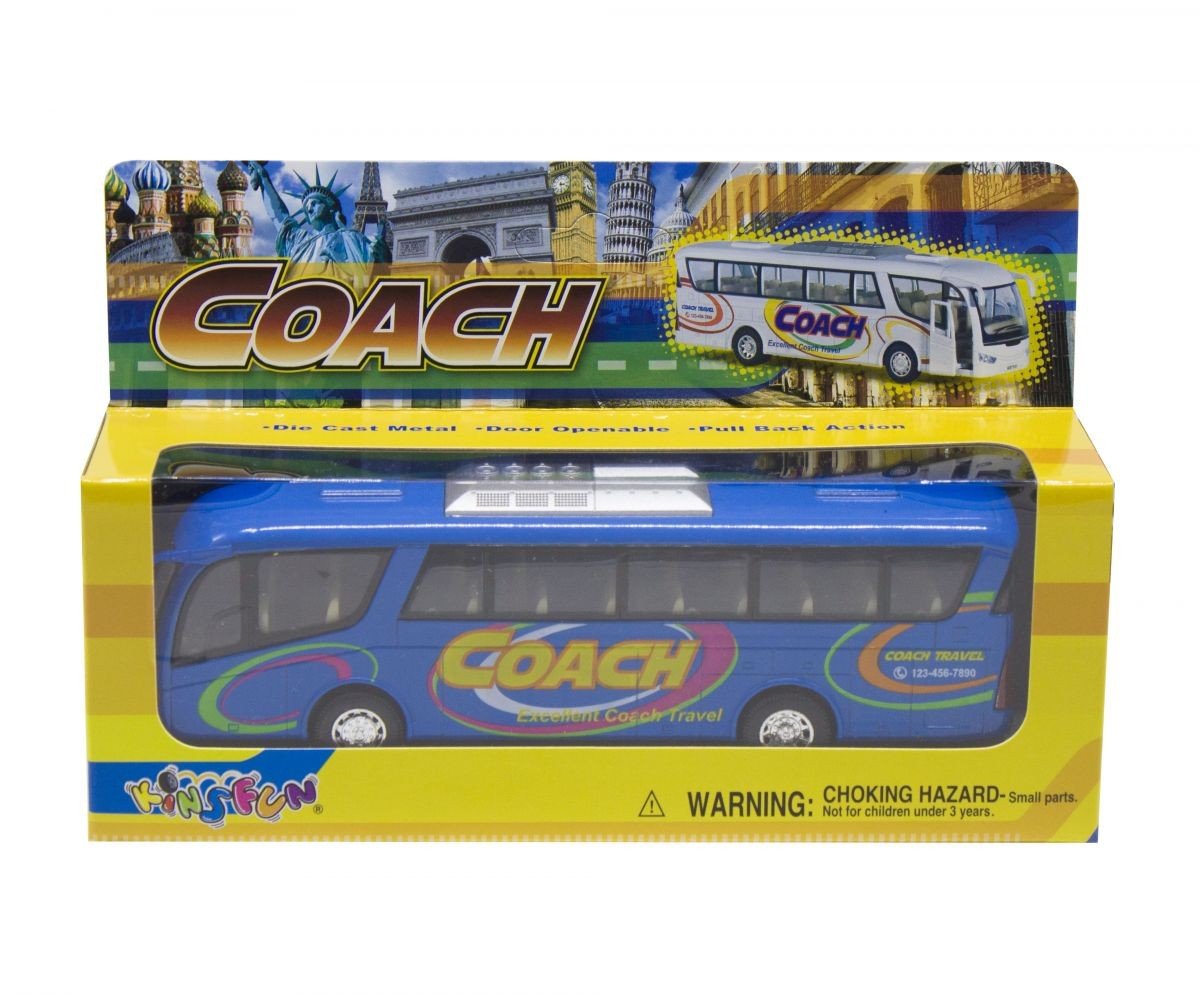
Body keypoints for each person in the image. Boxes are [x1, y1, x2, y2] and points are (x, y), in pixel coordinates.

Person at [244, 161, 382, 265]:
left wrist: (381, 254)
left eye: (314, 203)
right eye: (306, 208)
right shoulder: (300, 242)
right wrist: (264, 179)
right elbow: (280, 217)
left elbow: (373, 269)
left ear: (331, 208)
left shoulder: (353, 239)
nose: (309, 209)